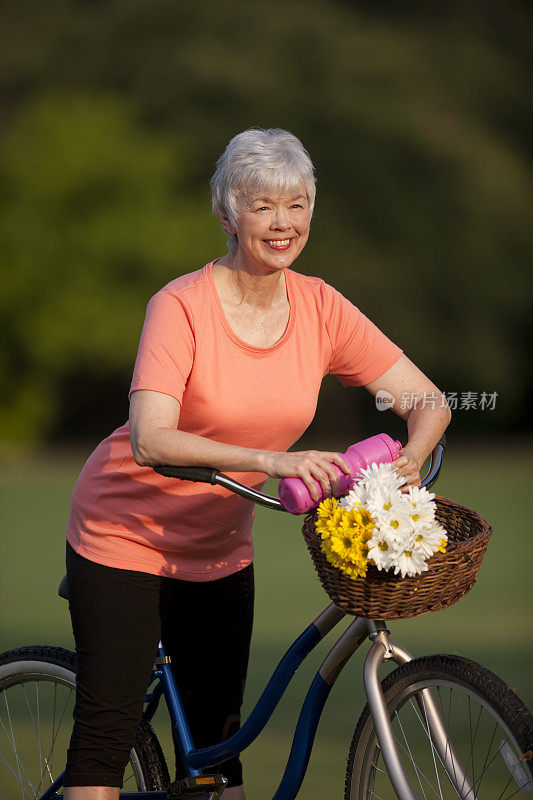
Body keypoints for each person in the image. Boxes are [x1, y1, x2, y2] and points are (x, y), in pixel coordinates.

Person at [63, 127, 451, 799]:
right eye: (262, 204)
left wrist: (412, 456)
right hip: (123, 537)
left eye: (296, 204)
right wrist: (271, 458)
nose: (282, 222)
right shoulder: (179, 306)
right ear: (226, 214)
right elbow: (151, 436)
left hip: (218, 549)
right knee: (103, 752)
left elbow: (426, 400)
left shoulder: (321, 307)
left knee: (218, 766)